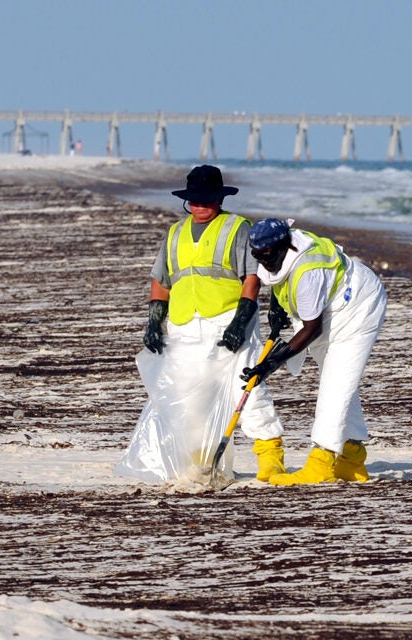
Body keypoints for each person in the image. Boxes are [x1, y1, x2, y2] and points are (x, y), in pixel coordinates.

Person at [142, 165, 288, 480]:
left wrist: (241, 320)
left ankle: (270, 456)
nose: (200, 205)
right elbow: (161, 280)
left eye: (207, 199)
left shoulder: (238, 228)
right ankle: (206, 463)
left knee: (245, 390)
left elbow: (252, 277)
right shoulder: (175, 233)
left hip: (227, 319)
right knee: (190, 398)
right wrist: (154, 321)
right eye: (194, 200)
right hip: (184, 324)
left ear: (220, 199)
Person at [240, 218, 388, 485]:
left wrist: (271, 364)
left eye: (267, 255)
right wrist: (277, 307)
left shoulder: (308, 271)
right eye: (257, 256)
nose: (263, 261)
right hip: (334, 305)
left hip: (360, 306)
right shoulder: (275, 250)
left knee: (336, 384)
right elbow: (276, 277)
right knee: (340, 383)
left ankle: (322, 460)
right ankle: (352, 458)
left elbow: (311, 329)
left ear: (284, 245)